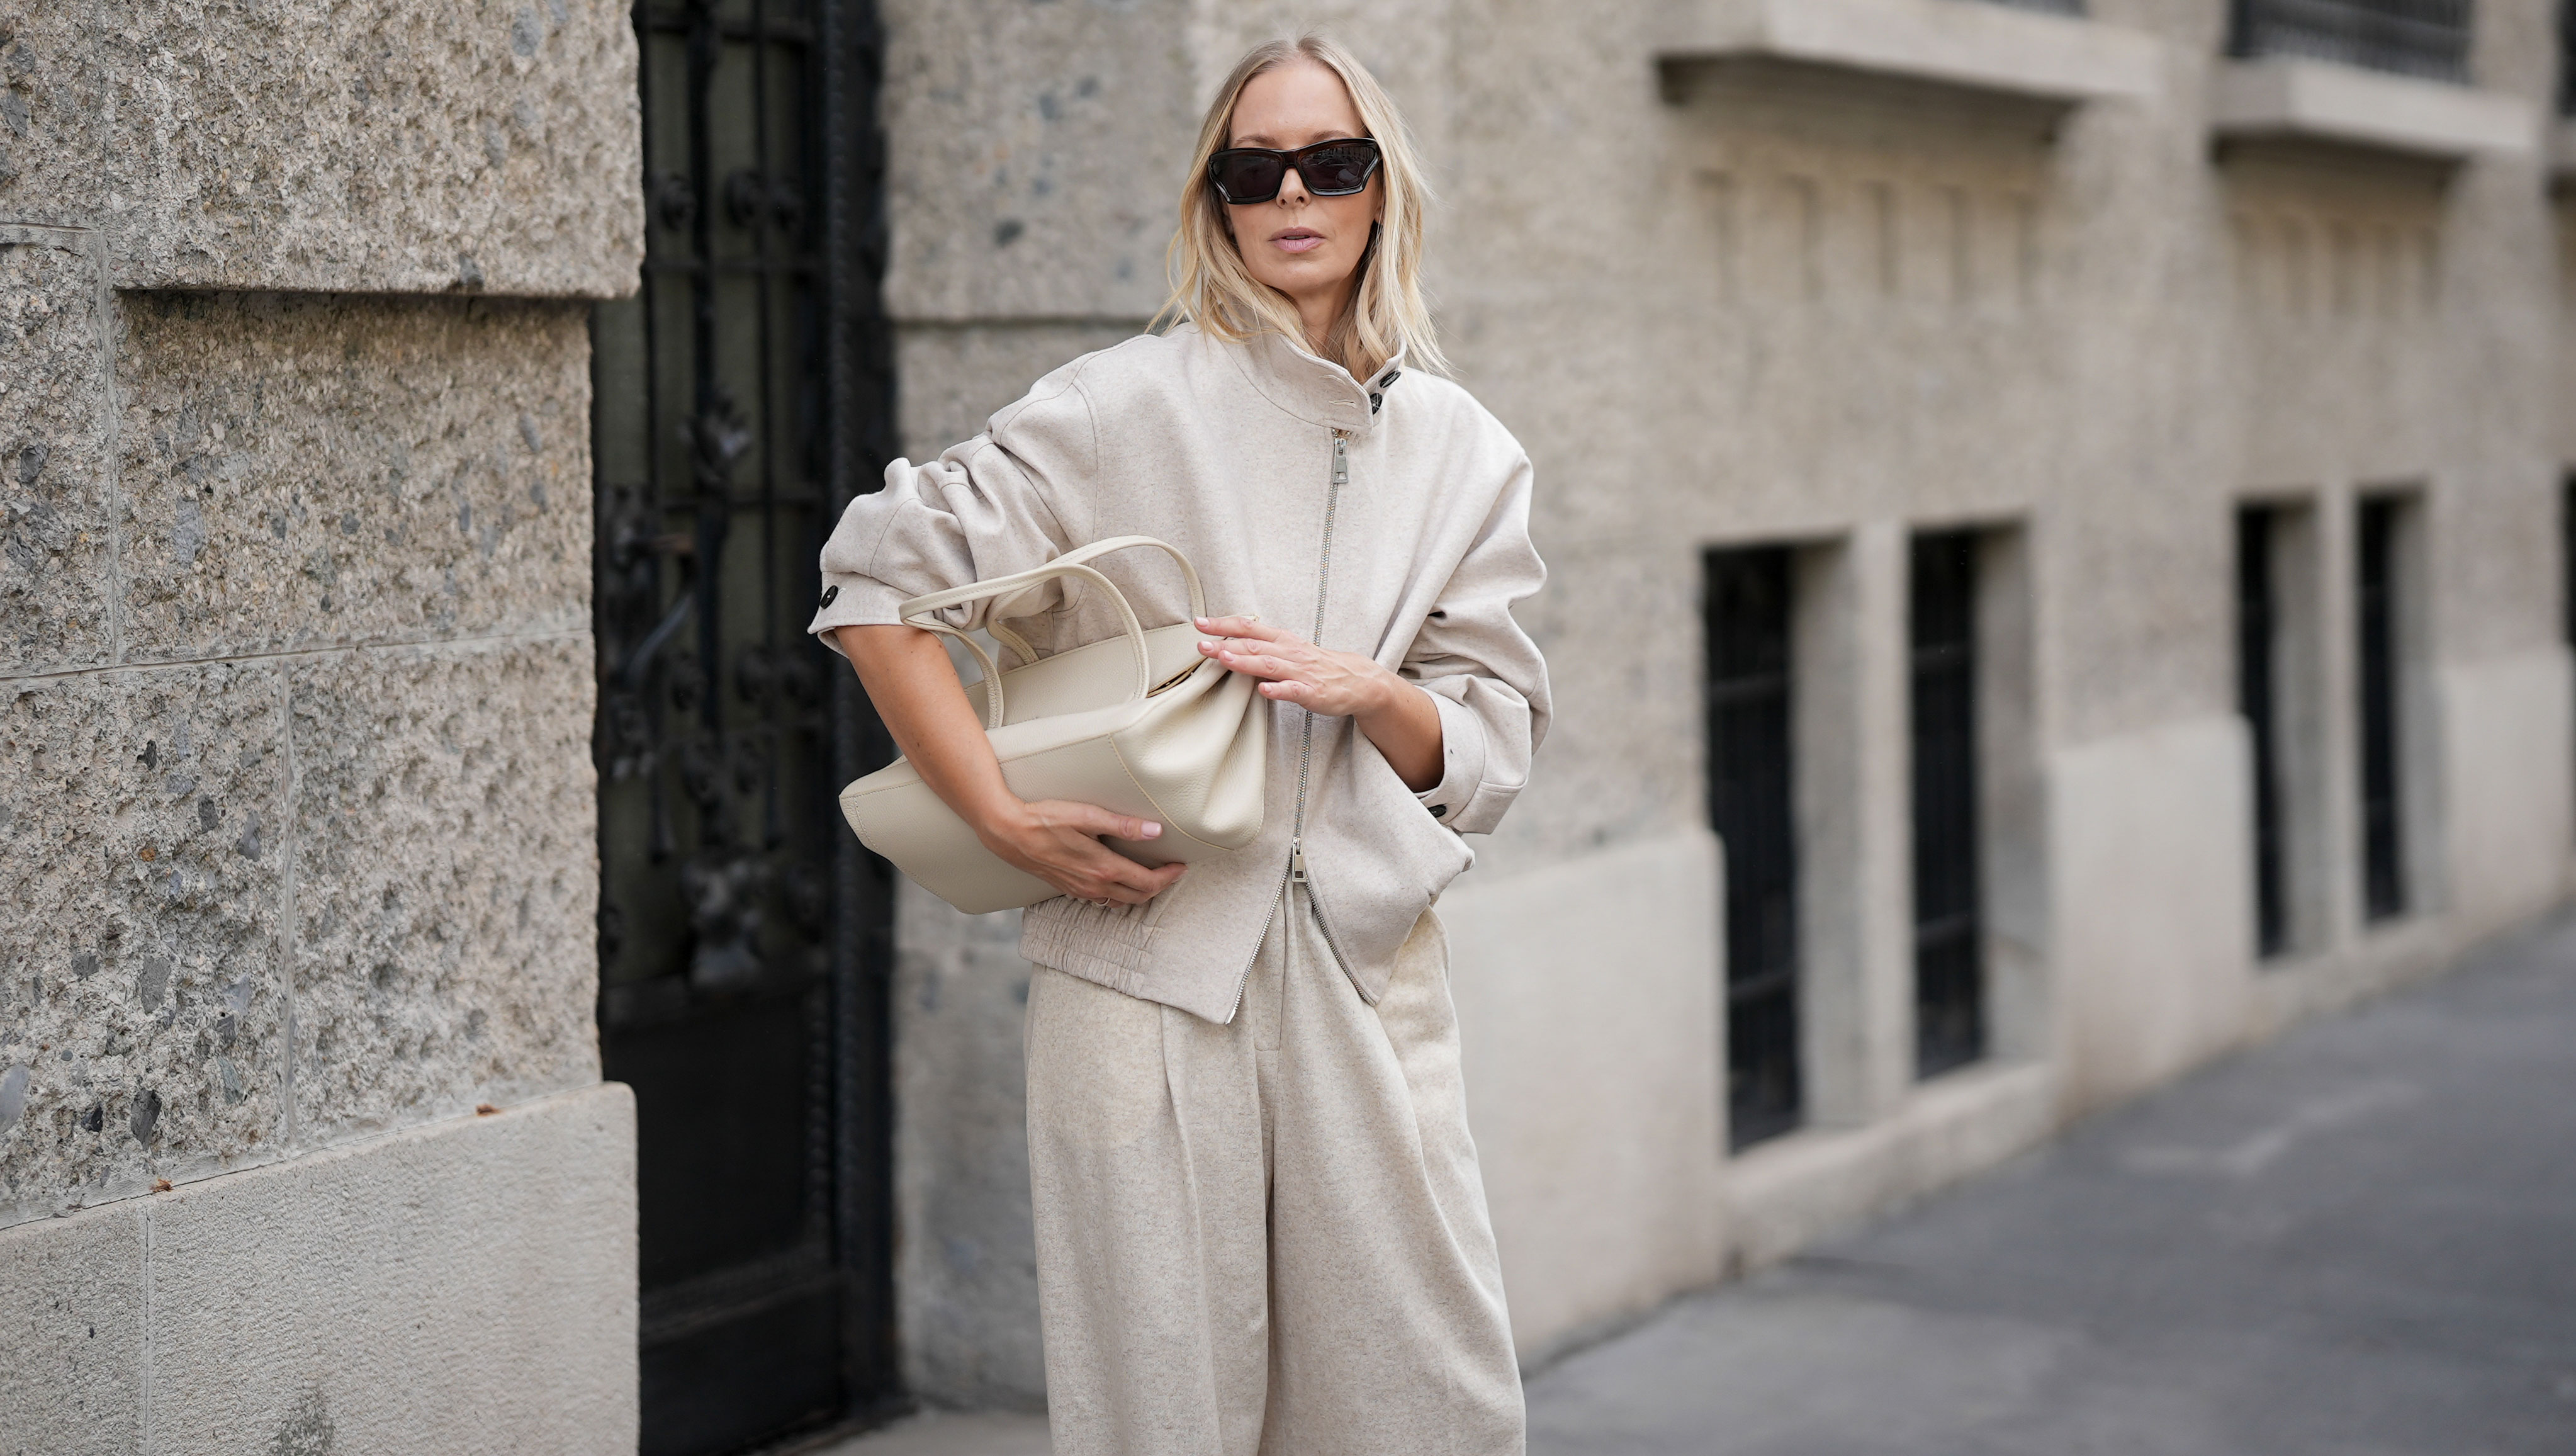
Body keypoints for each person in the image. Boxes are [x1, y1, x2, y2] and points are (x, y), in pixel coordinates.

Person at [809, 32, 1550, 1456]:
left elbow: (1491, 748)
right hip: (1141, 965)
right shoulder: (1121, 403)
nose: (1292, 198)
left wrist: (1365, 690)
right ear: (1214, 199)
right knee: (1164, 1407)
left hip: (1361, 976)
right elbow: (876, 587)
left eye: (1330, 165)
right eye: (1250, 170)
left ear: (1383, 187)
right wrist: (1000, 823)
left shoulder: (1466, 451)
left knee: (1428, 1406)